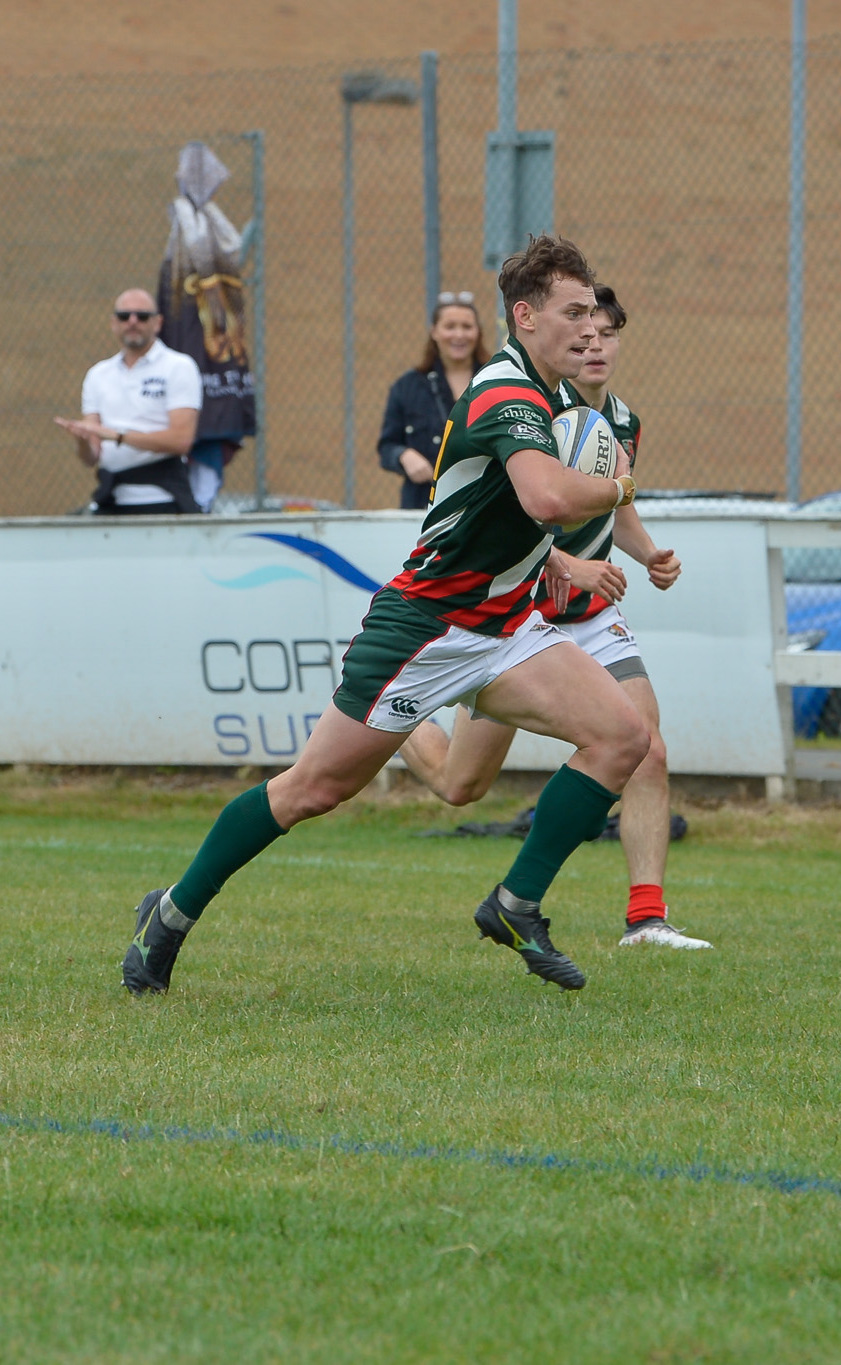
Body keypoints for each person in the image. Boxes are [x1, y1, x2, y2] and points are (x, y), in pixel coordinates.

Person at [121, 235, 650, 996]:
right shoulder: (507, 393)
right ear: (526, 316)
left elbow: (508, 516)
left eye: (593, 313)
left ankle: (515, 903)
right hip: (426, 629)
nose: (588, 327)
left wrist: (560, 558)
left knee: (623, 735)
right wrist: (619, 489)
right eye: (573, 312)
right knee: (311, 790)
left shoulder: (562, 398)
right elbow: (548, 499)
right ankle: (169, 913)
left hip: (506, 626)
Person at [400, 284, 709, 950]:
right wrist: (565, 561)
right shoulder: (536, 407)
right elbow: (518, 510)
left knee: (646, 746)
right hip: (517, 614)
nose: (594, 345)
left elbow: (612, 506)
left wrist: (648, 550)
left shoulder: (623, 421)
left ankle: (647, 918)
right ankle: (397, 718)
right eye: (584, 332)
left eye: (607, 334)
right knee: (462, 785)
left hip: (592, 616)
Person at [55, 289, 203, 515]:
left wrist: (118, 435)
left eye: (142, 316)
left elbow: (181, 440)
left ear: (157, 323)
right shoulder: (98, 374)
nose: (132, 322)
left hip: (164, 500)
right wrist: (83, 440)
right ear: (114, 323)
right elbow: (91, 457)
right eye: (124, 316)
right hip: (112, 501)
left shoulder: (179, 367)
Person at [379, 291, 490, 509]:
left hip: (484, 507)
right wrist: (403, 455)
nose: (459, 335)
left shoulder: (497, 381)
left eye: (467, 327)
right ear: (434, 332)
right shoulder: (407, 387)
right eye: (450, 327)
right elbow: (387, 446)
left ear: (477, 333)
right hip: (424, 507)